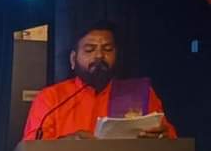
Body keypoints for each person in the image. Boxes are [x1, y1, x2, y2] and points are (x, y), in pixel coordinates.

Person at [22, 21, 177, 141]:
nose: (99, 56)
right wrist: (67, 143)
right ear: (73, 59)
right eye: (89, 50)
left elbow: (170, 139)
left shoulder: (141, 95)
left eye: (107, 49)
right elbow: (33, 147)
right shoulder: (51, 98)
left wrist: (163, 136)